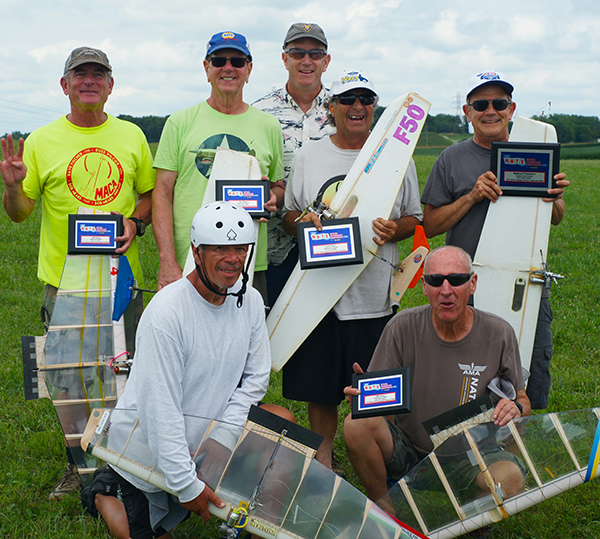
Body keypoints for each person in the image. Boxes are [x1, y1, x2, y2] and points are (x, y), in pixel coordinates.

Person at [0, 46, 155, 500]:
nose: (89, 80)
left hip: (120, 282)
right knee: (69, 379)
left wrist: (136, 221)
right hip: (63, 283)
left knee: (126, 374)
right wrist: (11, 187)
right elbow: (20, 214)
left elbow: (146, 196)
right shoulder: (43, 141)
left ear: (111, 85)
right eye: (79, 74)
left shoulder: (131, 136)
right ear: (65, 85)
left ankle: (127, 462)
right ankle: (80, 465)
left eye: (98, 73)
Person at [93, 201, 287, 538]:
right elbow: (159, 410)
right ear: (196, 253)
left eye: (240, 248)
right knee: (135, 531)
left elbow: (256, 379)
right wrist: (186, 485)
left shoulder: (251, 301)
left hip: (210, 440)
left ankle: (256, 530)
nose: (233, 258)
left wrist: (223, 437)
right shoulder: (167, 314)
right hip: (148, 451)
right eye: (220, 249)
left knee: (282, 423)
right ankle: (103, 491)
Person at [281, 69, 422, 469]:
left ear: (374, 108)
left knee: (376, 389)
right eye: (347, 100)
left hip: (374, 295)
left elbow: (415, 217)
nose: (357, 107)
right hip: (319, 294)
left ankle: (385, 457)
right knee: (321, 388)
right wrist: (302, 222)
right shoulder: (310, 155)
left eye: (365, 100)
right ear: (331, 108)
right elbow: (291, 213)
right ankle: (323, 463)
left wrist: (396, 228)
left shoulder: (398, 159)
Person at [420, 70, 569, 411]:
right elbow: (429, 225)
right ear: (467, 112)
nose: (491, 111)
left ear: (511, 108)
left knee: (526, 377)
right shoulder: (451, 159)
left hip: (524, 283)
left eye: (499, 103)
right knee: (467, 378)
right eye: (481, 104)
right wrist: (472, 196)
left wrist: (555, 197)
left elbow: (556, 216)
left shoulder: (535, 153)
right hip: (462, 286)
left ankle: (518, 448)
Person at [344, 245, 532, 507]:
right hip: (411, 453)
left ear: (472, 283)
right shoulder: (402, 327)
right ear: (424, 286)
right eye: (435, 281)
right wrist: (367, 400)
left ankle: (475, 519)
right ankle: (385, 511)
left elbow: (522, 399)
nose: (446, 291)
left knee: (510, 479)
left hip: (475, 454)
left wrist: (515, 407)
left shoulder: (499, 332)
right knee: (356, 423)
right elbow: (378, 403)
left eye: (456, 280)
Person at [152, 31, 284, 302]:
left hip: (246, 260)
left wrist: (272, 198)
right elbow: (162, 193)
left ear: (249, 69)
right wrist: (167, 261)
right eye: (219, 60)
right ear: (206, 68)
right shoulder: (179, 122)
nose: (228, 67)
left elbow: (278, 187)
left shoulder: (269, 126)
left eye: (237, 61)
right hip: (191, 259)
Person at [252, 22, 334, 308]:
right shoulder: (259, 112)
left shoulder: (345, 109)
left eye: (315, 54)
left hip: (331, 246)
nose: (307, 61)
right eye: (298, 53)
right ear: (285, 58)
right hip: (274, 249)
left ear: (327, 61)